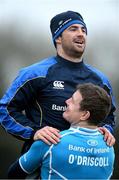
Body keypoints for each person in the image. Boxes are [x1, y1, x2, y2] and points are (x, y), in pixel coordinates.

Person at [0, 10, 116, 172]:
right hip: (39, 165)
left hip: (84, 165)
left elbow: (110, 115)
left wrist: (107, 130)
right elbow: (5, 110)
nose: (81, 34)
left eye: (84, 30)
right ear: (58, 38)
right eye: (73, 29)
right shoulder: (34, 74)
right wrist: (34, 132)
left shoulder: (100, 80)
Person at [8, 83, 115, 179]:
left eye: (72, 100)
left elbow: (13, 174)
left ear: (84, 115)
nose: (66, 101)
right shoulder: (109, 146)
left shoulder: (50, 141)